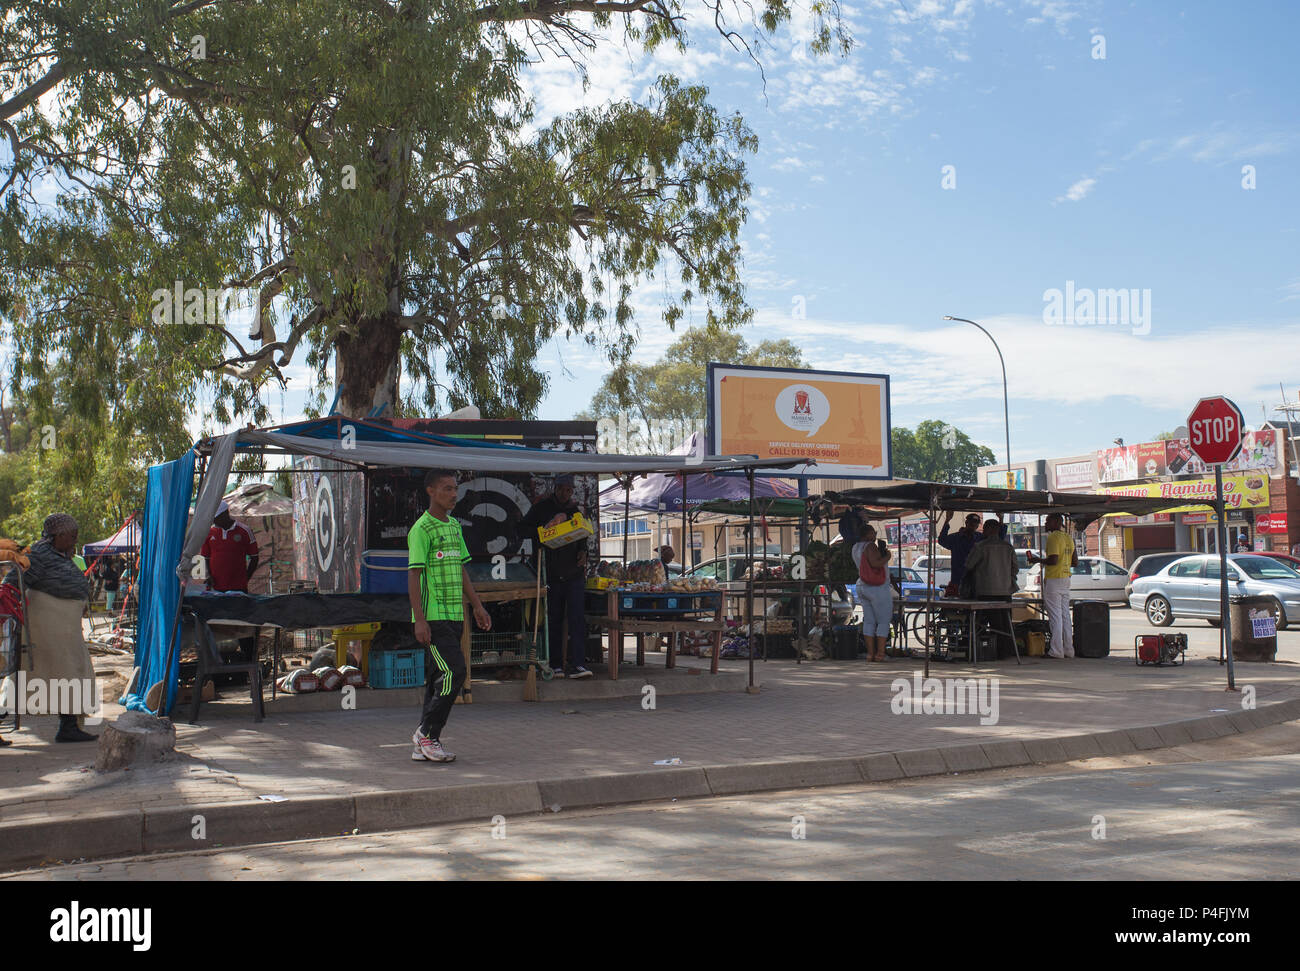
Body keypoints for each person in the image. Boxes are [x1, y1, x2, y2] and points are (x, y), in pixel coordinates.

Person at [407, 469, 491, 763]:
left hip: (456, 616)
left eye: (455, 489)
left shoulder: (455, 526)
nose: (454, 494)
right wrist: (419, 618)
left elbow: (462, 569)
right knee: (455, 672)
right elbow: (414, 576)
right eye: (447, 489)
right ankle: (427, 733)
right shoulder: (421, 529)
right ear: (431, 491)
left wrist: (477, 606)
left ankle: (424, 744)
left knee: (436, 678)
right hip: (434, 618)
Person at [7, 514, 97, 742]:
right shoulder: (36, 553)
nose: (75, 538)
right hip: (47, 626)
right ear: (58, 535)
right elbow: (12, 579)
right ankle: (67, 726)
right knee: (47, 674)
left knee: (69, 673)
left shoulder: (60, 555)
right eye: (72, 535)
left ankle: (68, 726)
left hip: (64, 627)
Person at [520, 474, 592, 679]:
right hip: (550, 574)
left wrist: (584, 551)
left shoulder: (574, 511)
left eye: (568, 490)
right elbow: (521, 529)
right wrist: (544, 528)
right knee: (554, 620)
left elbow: (583, 536)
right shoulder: (541, 508)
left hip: (574, 575)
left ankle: (578, 664)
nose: (565, 493)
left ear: (572, 491)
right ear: (555, 488)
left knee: (577, 619)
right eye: (561, 489)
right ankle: (556, 665)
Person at [962, 520, 1018, 659]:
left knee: (983, 623)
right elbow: (1015, 569)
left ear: (987, 530)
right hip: (1005, 591)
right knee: (1005, 624)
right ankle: (1005, 651)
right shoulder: (1008, 547)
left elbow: (969, 565)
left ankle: (985, 651)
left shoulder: (980, 547)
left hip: (985, 591)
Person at [1028, 514, 1077, 658]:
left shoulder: (1053, 537)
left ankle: (1056, 651)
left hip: (1054, 579)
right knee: (1065, 616)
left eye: (1048, 520)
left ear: (1057, 522)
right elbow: (1075, 562)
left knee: (1055, 617)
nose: (1045, 523)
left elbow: (1053, 560)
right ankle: (1069, 649)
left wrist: (1037, 559)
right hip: (1066, 578)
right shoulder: (1068, 537)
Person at [852, 523, 892, 662]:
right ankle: (880, 653)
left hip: (862, 585)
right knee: (883, 621)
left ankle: (870, 654)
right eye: (874, 533)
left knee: (869, 621)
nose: (875, 536)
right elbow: (875, 563)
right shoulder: (870, 546)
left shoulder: (855, 547)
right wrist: (887, 556)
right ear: (868, 533)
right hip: (877, 587)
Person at [200, 501, 259, 592]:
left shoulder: (244, 530)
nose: (214, 521)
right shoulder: (209, 532)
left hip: (238, 589)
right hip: (214, 589)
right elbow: (205, 557)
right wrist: (208, 575)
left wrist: (245, 579)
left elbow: (254, 557)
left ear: (225, 514)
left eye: (216, 518)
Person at [937, 511, 982, 597]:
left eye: (975, 524)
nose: (973, 526)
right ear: (966, 523)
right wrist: (947, 521)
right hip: (957, 581)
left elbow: (998, 539)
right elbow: (941, 540)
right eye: (971, 523)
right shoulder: (955, 538)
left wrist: (1001, 520)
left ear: (977, 526)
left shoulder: (980, 538)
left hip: (976, 582)